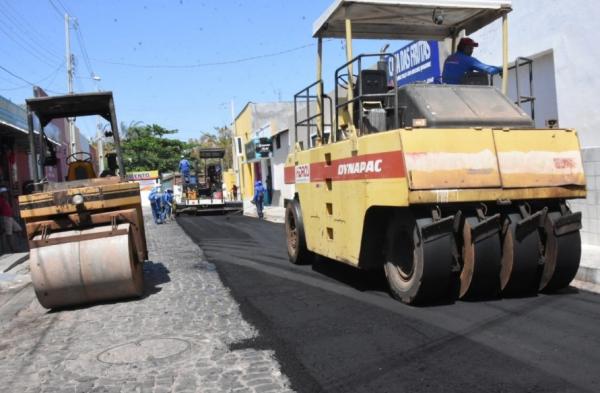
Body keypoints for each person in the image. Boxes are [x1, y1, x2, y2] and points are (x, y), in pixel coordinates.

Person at [0, 187, 22, 252]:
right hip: (5, 217)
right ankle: (13, 249)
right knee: (9, 234)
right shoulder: (1, 200)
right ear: (2, 193)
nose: (6, 194)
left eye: (6, 192)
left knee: (19, 229)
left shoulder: (6, 199)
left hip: (10, 217)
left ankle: (15, 245)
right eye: (5, 193)